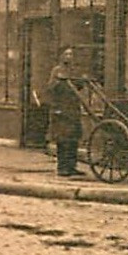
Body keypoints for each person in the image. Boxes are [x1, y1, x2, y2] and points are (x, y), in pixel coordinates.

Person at [47, 48, 84, 178]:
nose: (69, 57)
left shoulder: (74, 71)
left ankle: (72, 166)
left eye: (71, 54)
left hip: (73, 108)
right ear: (61, 56)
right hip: (61, 110)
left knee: (73, 139)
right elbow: (51, 88)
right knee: (63, 140)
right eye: (66, 54)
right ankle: (62, 167)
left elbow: (80, 86)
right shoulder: (57, 71)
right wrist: (59, 82)